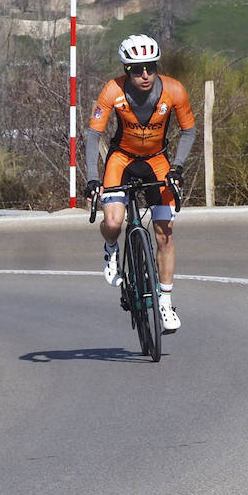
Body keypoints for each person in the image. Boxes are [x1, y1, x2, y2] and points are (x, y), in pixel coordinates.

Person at [85, 34, 196, 334]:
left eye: (150, 67)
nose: (144, 74)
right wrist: (92, 178)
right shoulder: (112, 90)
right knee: (114, 220)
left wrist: (178, 167)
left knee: (165, 234)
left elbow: (189, 132)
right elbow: (93, 134)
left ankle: (165, 302)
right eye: (136, 69)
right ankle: (111, 247)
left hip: (158, 162)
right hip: (121, 159)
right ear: (126, 70)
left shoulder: (173, 90)